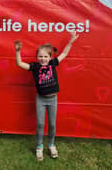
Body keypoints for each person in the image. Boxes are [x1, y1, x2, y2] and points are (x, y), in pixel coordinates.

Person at [14, 31, 79, 161]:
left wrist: (71, 41)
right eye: (40, 56)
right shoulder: (35, 67)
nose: (42, 59)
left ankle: (51, 145)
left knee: (52, 124)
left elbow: (64, 53)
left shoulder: (53, 64)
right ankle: (39, 147)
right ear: (37, 57)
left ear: (50, 57)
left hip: (53, 99)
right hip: (40, 99)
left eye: (45, 56)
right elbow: (20, 64)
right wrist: (17, 52)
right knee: (40, 124)